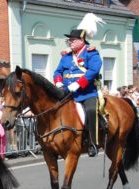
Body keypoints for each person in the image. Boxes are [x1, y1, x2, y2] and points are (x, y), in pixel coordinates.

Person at [53, 13, 105, 157]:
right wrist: (58, 82)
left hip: (86, 93)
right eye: (69, 40)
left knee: (90, 110)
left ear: (82, 40)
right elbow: (58, 71)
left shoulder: (91, 53)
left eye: (73, 40)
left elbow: (93, 71)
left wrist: (77, 84)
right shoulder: (66, 56)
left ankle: (93, 143)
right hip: (67, 93)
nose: (70, 42)